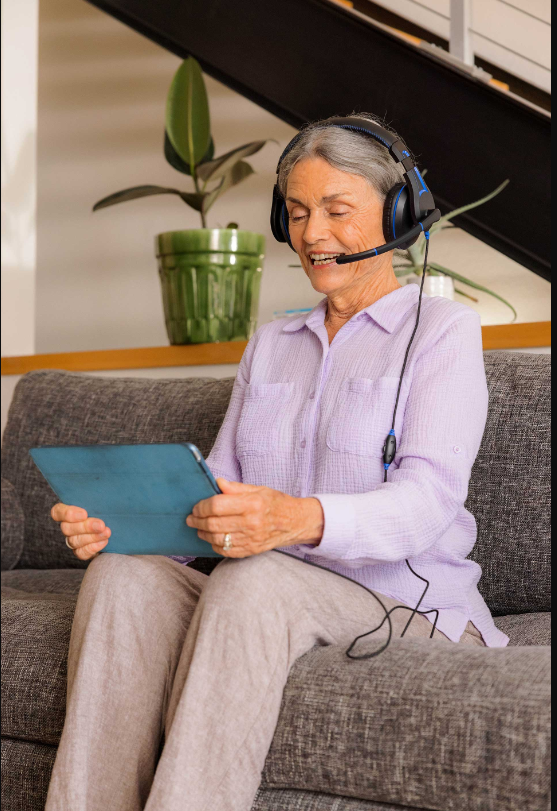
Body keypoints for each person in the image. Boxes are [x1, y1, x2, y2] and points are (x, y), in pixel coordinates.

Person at [45, 112, 508, 811]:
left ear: (397, 212)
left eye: (335, 210)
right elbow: (215, 495)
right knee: (121, 577)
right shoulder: (271, 342)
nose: (312, 234)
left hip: (403, 602)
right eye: (295, 212)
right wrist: (126, 528)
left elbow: (426, 502)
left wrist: (294, 519)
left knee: (255, 579)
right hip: (263, 588)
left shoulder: (442, 332)